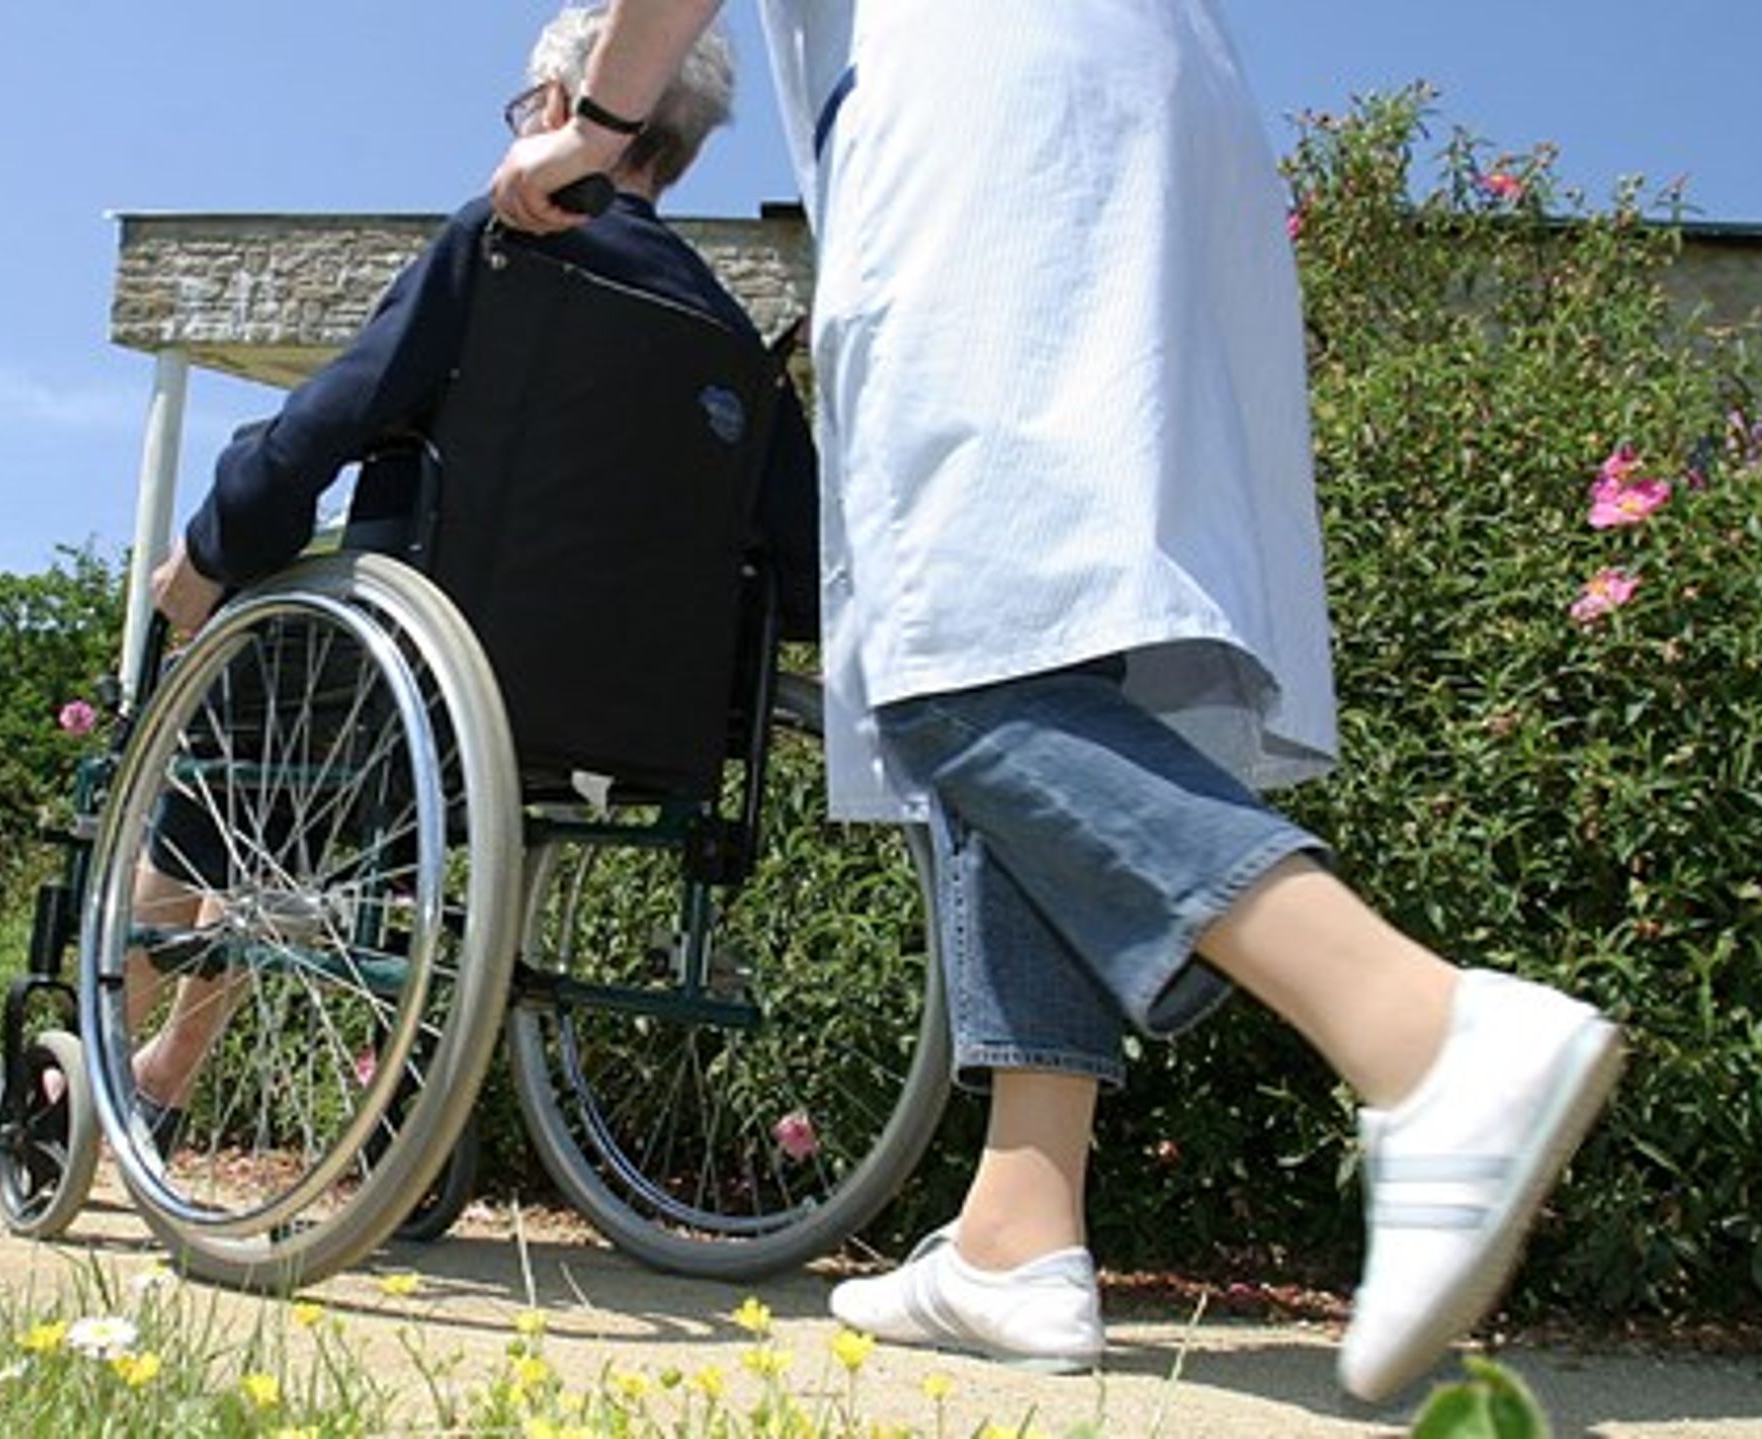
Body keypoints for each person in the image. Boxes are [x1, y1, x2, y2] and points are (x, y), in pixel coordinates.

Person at [486, 0, 1624, 1405]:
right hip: (1146, 89)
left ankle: (1418, 1026)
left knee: (954, 652)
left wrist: (591, 127)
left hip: (979, 104)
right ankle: (1022, 1224)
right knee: (1045, 631)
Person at [122, 5, 816, 1148]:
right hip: (638, 718)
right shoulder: (735, 337)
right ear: (681, 150)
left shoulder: (499, 248)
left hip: (424, 671)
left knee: (233, 736)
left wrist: (209, 548)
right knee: (313, 731)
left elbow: (330, 418)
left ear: (560, 110)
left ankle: (139, 1064)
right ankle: (170, 1056)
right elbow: (799, 567)